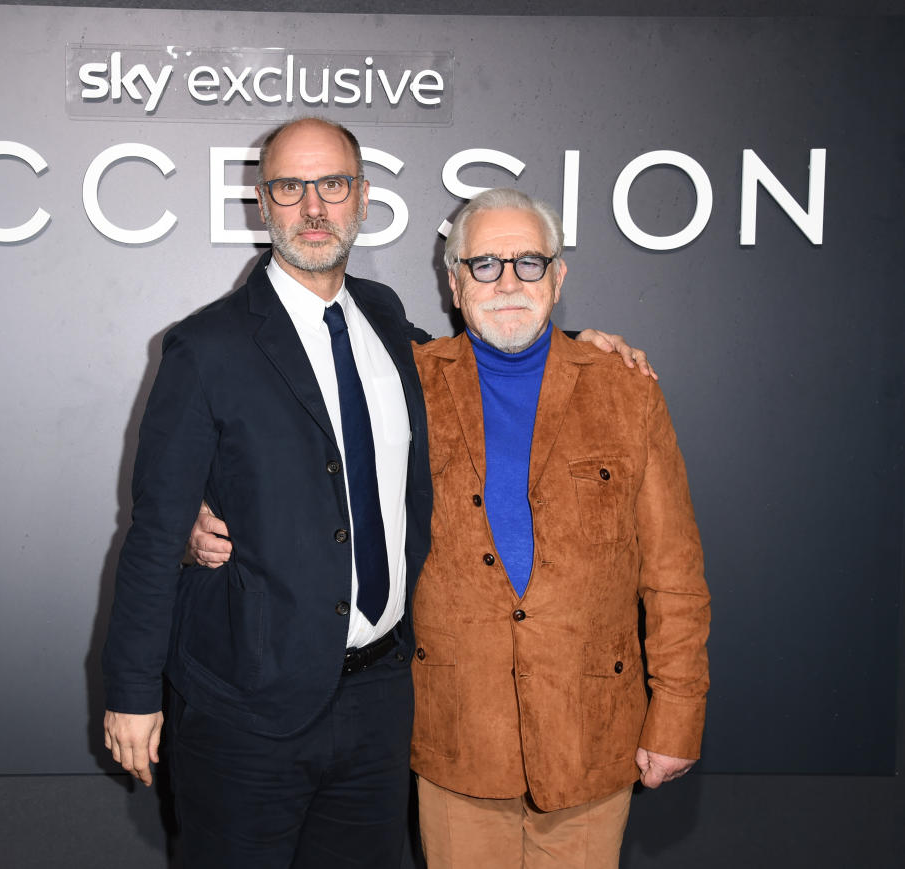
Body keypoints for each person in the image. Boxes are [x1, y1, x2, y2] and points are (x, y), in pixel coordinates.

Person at [103, 118, 649, 868]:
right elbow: (155, 533)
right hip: (245, 713)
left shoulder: (388, 319)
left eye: (333, 185)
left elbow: (492, 348)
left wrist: (579, 343)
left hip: (381, 703)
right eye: (291, 188)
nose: (313, 207)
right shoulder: (205, 349)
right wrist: (132, 691)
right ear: (262, 204)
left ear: (361, 198)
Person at [407, 188, 710, 868]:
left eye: (529, 263)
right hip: (458, 737)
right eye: (484, 264)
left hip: (592, 736)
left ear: (559, 276)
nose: (508, 281)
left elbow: (674, 573)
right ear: (453, 281)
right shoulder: (408, 384)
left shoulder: (627, 388)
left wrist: (679, 713)